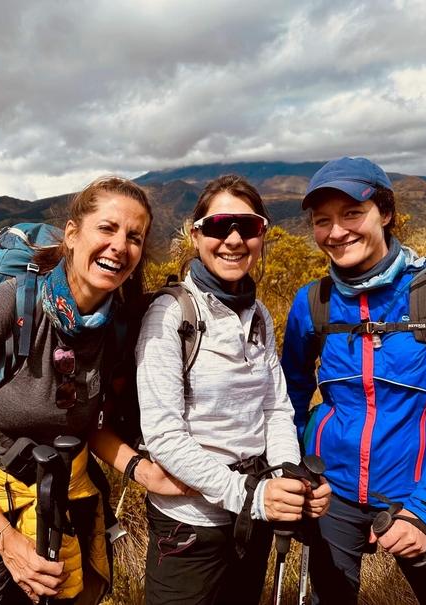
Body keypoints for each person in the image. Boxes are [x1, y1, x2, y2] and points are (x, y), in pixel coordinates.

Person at [0, 176, 187, 605]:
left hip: (65, 507)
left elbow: (86, 424)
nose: (119, 246)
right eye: (106, 229)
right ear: (73, 234)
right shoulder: (3, 308)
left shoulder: (117, 327)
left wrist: (141, 471)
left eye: (134, 237)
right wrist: (7, 541)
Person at [281, 157, 426, 605]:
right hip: (332, 494)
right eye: (323, 221)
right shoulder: (312, 303)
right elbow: (288, 399)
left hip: (418, 491)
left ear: (385, 212)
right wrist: (295, 474)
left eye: (352, 214)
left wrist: (423, 510)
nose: (337, 232)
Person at [135, 175, 332, 605]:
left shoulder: (258, 313)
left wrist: (285, 478)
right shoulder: (170, 315)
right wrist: (252, 496)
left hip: (252, 517)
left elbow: (276, 408)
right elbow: (164, 436)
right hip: (190, 527)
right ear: (196, 234)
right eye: (220, 225)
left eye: (249, 226)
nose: (235, 239)